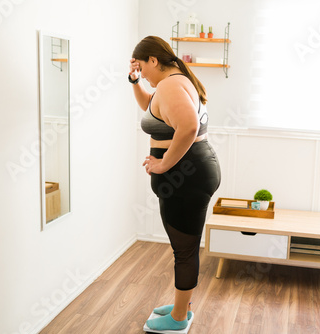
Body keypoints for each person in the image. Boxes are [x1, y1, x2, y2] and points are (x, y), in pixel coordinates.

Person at [129, 36, 221, 331]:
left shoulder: (169, 85)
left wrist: (164, 163)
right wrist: (134, 82)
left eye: (142, 67)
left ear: (153, 61)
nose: (142, 73)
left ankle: (179, 319)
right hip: (192, 174)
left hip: (187, 176)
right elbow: (151, 108)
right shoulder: (171, 83)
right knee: (186, 247)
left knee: (184, 250)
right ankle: (183, 305)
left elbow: (189, 127)